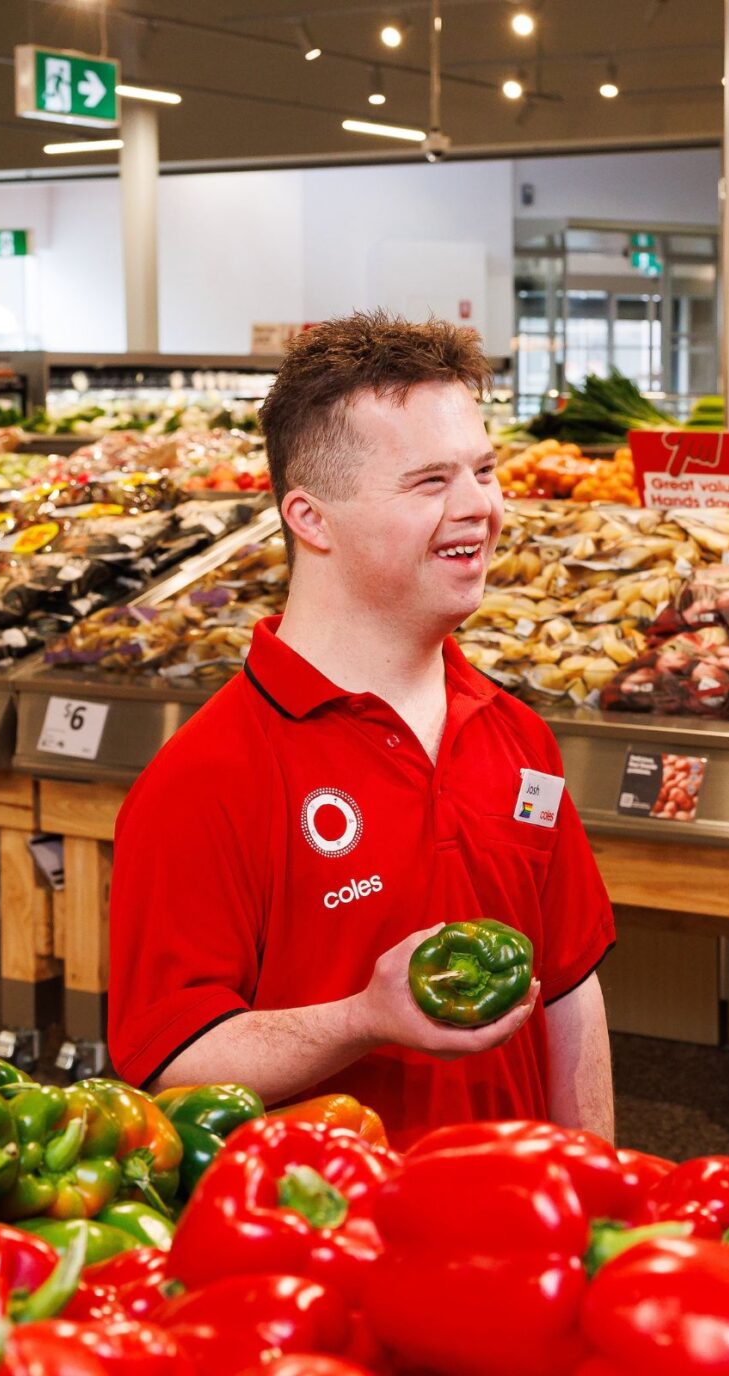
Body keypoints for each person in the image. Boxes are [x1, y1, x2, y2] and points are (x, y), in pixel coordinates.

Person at [107, 312, 616, 1141]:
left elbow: (567, 989)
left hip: (521, 1231)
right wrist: (359, 1019)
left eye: (483, 470)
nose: (479, 507)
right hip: (323, 1245)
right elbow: (172, 1060)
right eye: (429, 482)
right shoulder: (206, 776)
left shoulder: (518, 736)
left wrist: (598, 1192)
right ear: (311, 519)